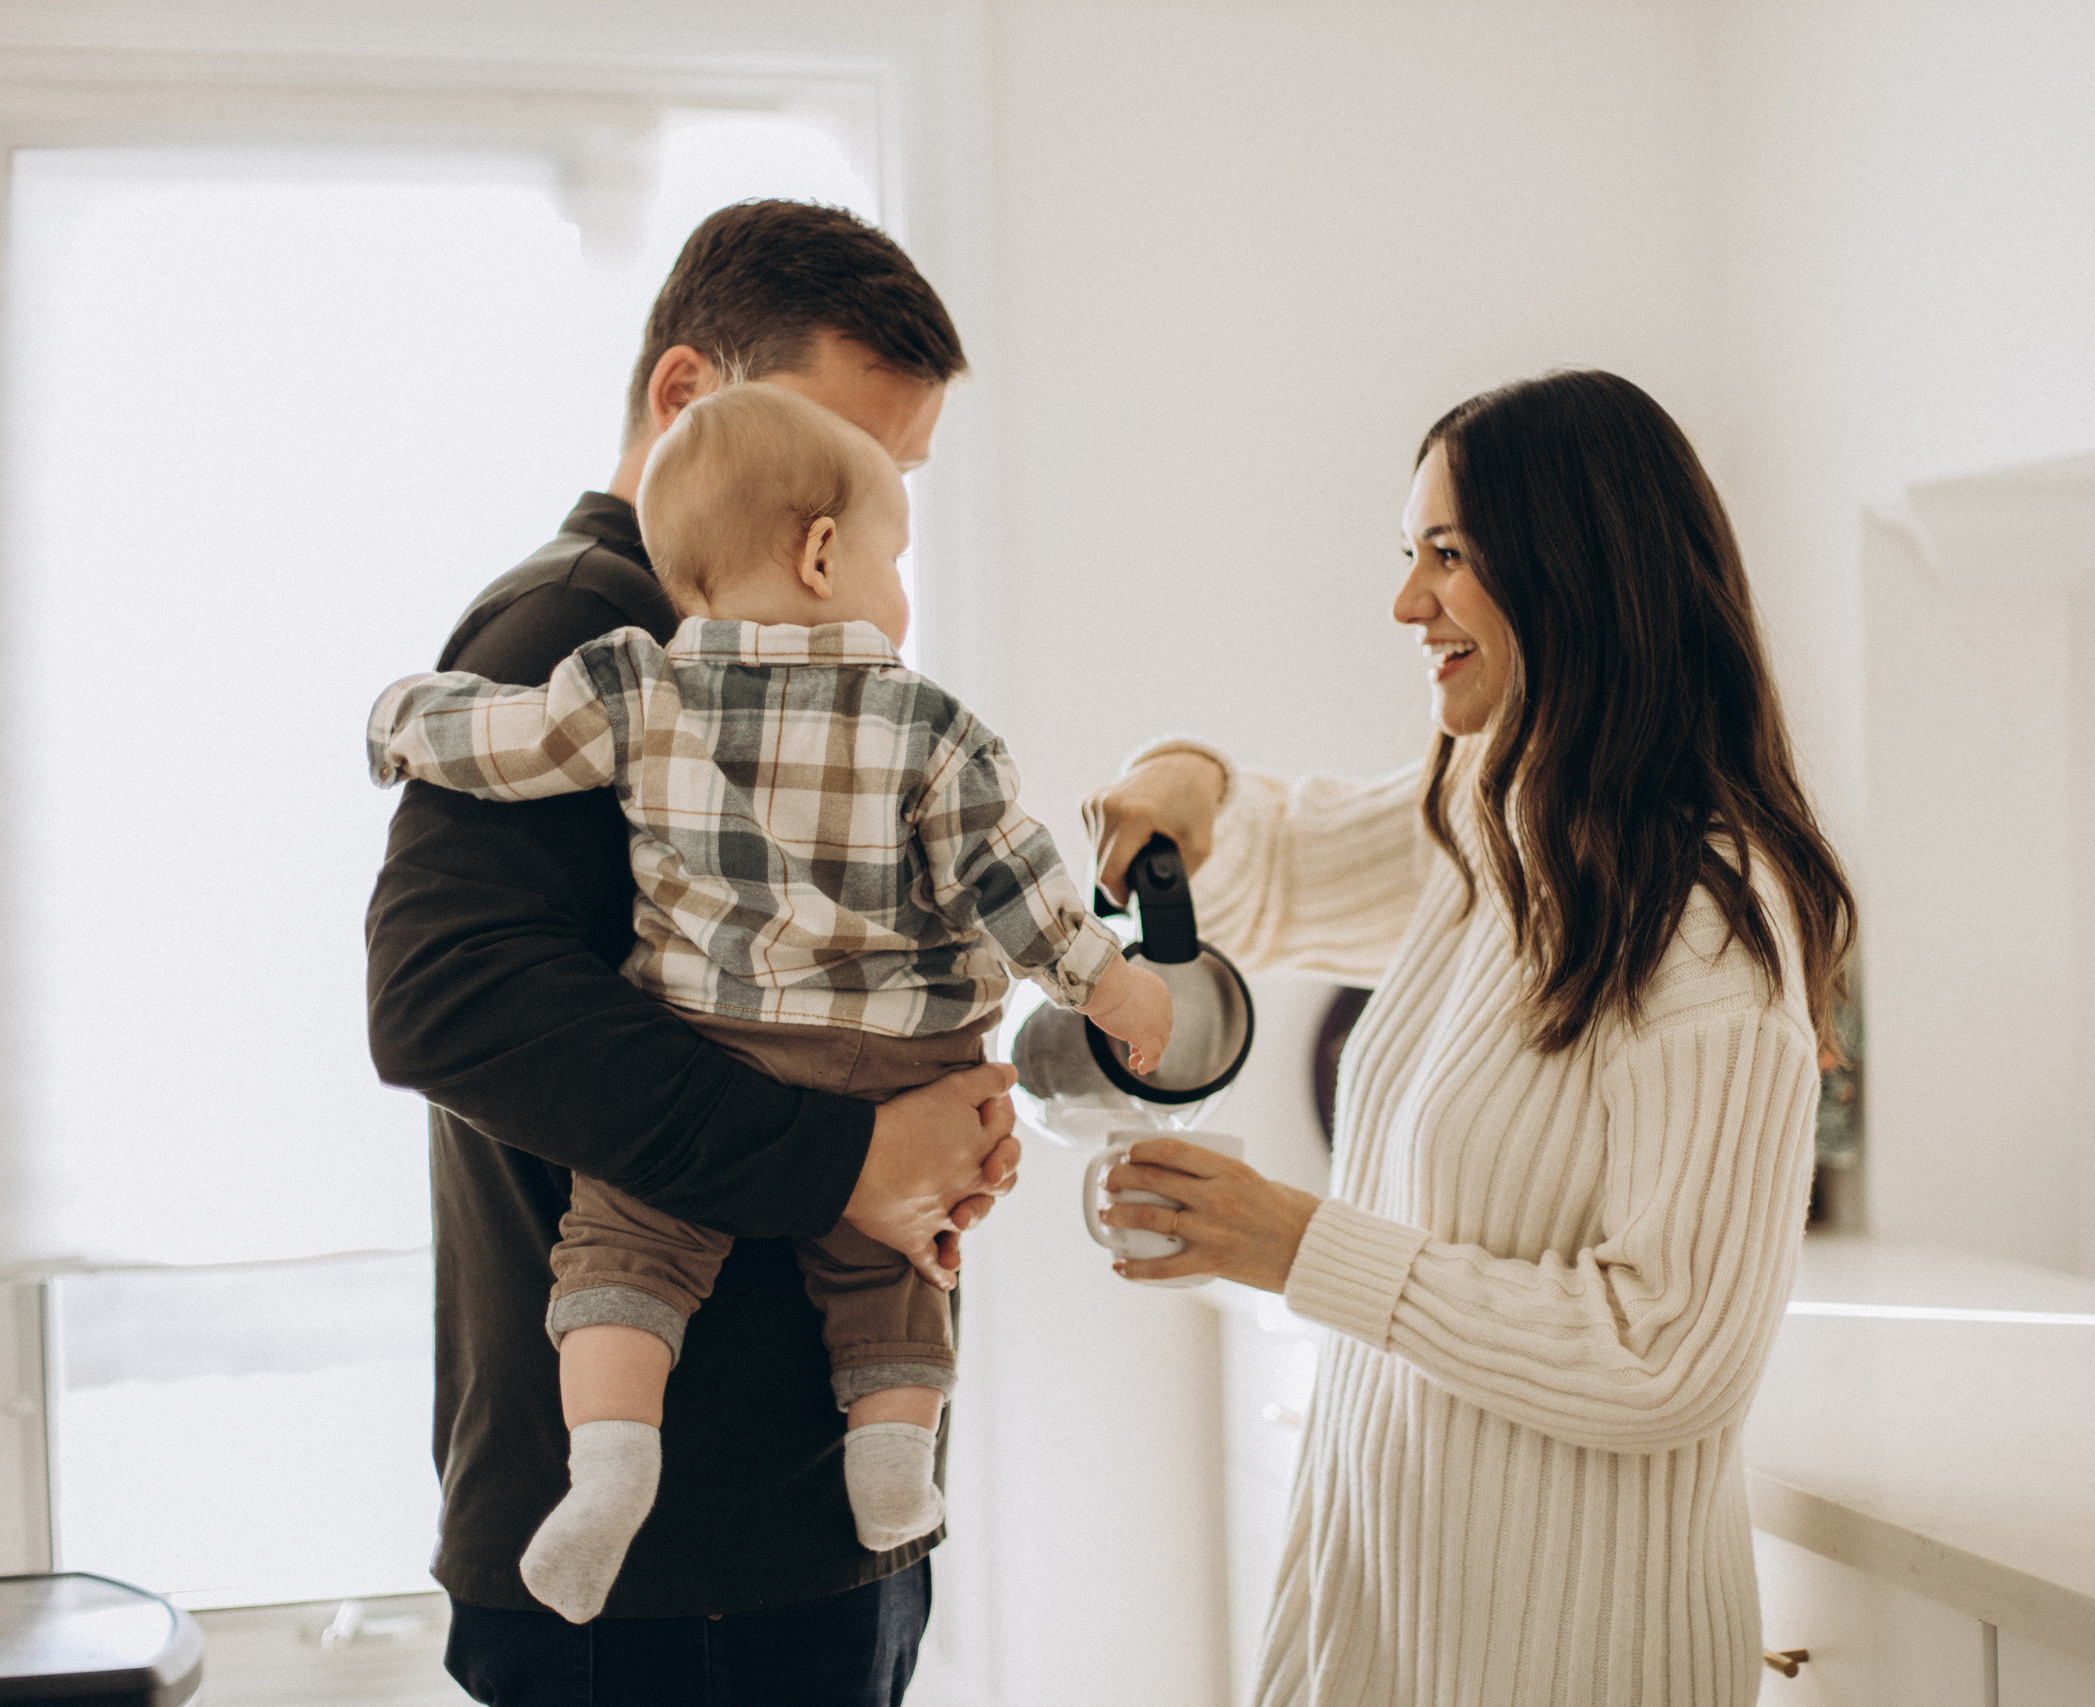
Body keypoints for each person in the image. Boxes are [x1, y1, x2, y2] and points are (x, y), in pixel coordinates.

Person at [1082, 370, 1857, 1707]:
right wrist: (1181, 775)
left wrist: (1295, 1242)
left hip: (1565, 1653)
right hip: (1381, 1609)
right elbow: (1272, 856)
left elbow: (1665, 1351)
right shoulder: (1497, 818)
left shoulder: (1711, 921)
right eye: (1410, 553)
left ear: (1574, 567)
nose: (1407, 602)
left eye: (1447, 554)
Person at [368, 382, 1174, 1623]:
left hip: (719, 1022)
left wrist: (398, 720)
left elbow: (509, 744)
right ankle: (894, 1464)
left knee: (628, 1249)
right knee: (892, 1267)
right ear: (818, 551)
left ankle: (609, 1468)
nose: (902, 587)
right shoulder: (927, 718)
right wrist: (1106, 983)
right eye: (893, 542)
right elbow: (1014, 881)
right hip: (895, 1060)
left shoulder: (631, 683)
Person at [364, 201, 1015, 1706]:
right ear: (684, 402)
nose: (854, 528)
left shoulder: (773, 663)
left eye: (889, 486)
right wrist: (850, 1156)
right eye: (838, 466)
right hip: (673, 1580)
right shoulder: (575, 633)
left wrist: (939, 1117)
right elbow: (442, 1004)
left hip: (771, 1530)